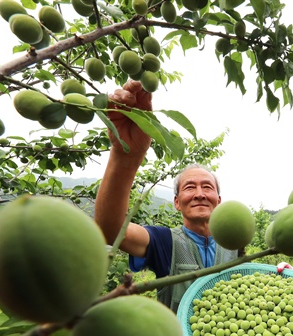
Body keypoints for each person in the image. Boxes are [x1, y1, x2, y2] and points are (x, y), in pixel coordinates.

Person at [93, 80, 239, 314]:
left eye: (208, 187)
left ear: (219, 201)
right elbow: (110, 229)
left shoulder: (233, 243)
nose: (200, 194)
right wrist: (125, 156)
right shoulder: (164, 241)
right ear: (177, 203)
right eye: (190, 187)